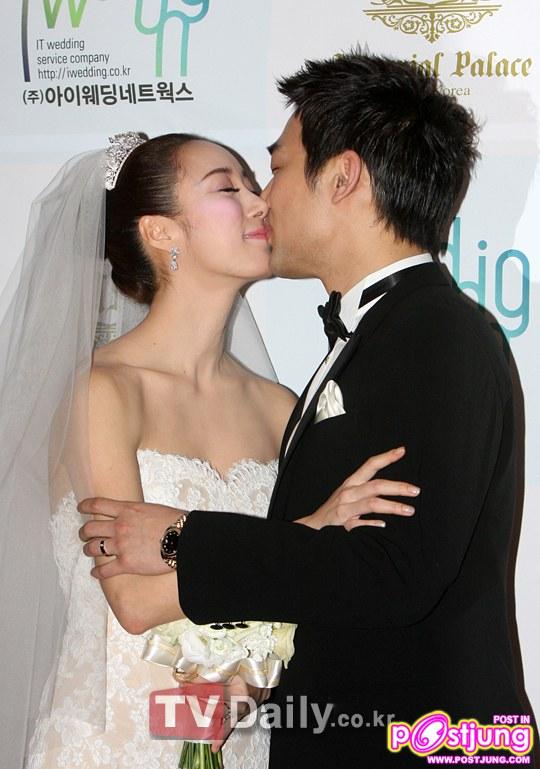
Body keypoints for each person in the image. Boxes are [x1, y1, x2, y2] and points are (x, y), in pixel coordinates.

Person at [79, 50, 537, 767]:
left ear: (343, 177)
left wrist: (182, 537)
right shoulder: (373, 340)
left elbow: (393, 573)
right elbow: (323, 580)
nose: (264, 199)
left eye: (277, 169)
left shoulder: (437, 333)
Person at [0, 130, 416, 769]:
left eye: (254, 184)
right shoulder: (104, 392)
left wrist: (254, 685)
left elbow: (303, 596)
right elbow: (134, 603)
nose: (259, 202)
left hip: (237, 738)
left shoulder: (278, 407)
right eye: (228, 188)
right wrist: (313, 531)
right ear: (161, 232)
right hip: (110, 744)